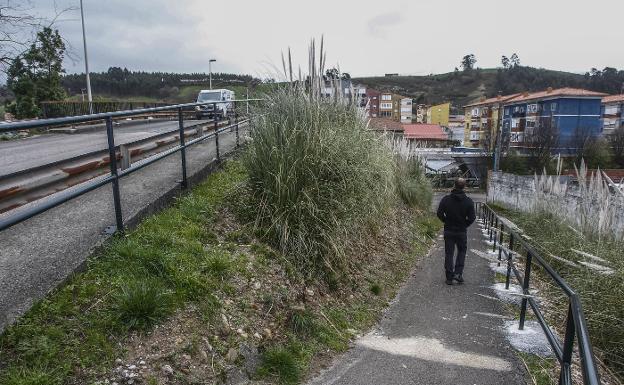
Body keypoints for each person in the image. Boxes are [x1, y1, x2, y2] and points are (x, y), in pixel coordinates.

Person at [436, 178, 476, 285]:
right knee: (461, 252)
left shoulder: (446, 199)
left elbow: (439, 213)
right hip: (461, 231)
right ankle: (458, 274)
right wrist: (465, 224)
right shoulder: (468, 201)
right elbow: (472, 218)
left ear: (454, 185)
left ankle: (449, 277)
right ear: (464, 187)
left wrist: (446, 221)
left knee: (449, 253)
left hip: (449, 230)